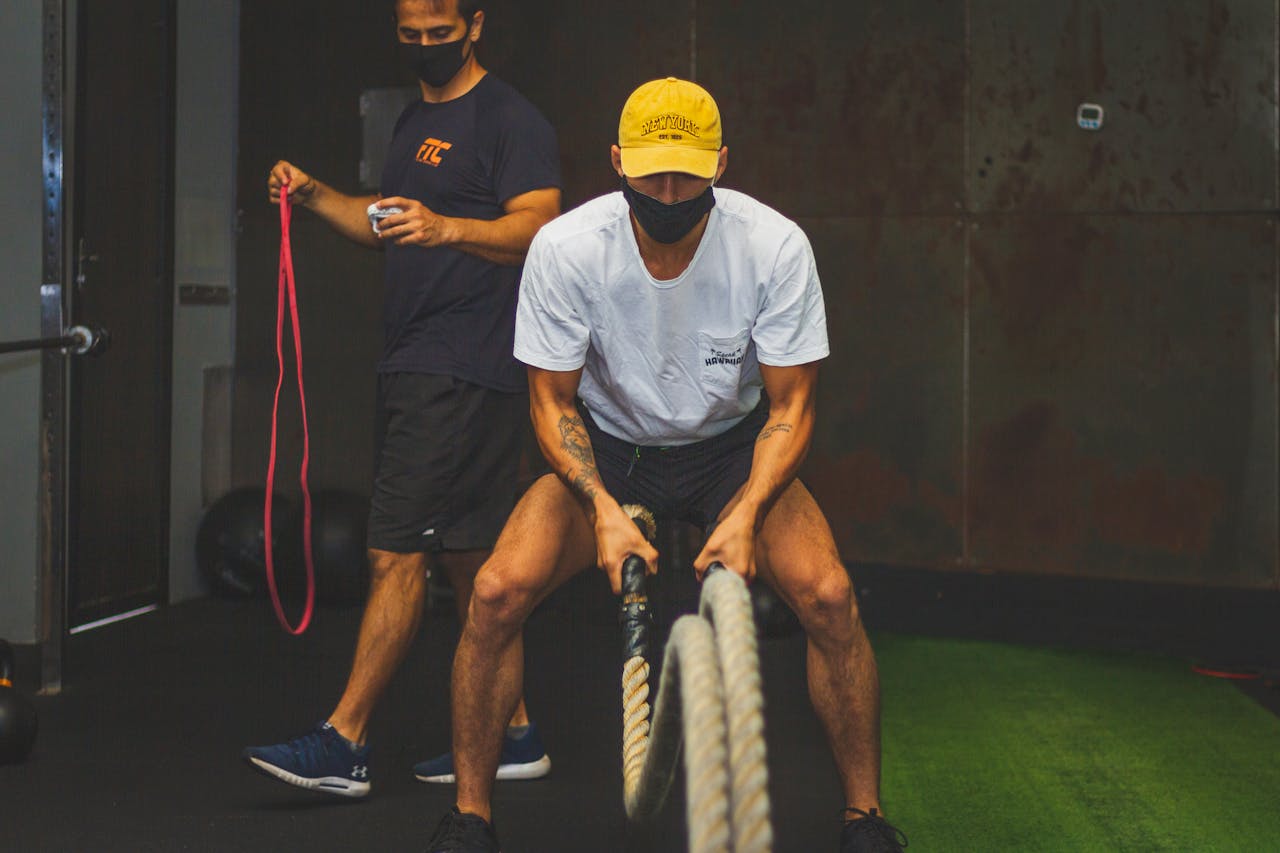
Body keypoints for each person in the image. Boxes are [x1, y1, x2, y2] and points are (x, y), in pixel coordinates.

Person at [424, 77, 907, 852]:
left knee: (828, 596)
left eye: (688, 172)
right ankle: (470, 816)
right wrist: (602, 508)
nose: (671, 190)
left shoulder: (773, 246)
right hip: (611, 451)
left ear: (722, 161)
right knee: (493, 591)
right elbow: (551, 405)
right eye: (652, 173)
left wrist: (747, 511)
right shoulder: (568, 249)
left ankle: (865, 816)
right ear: (617, 161)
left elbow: (789, 409)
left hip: (731, 453)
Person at [242, 0, 561, 798]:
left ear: (476, 24)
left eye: (440, 34)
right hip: (416, 363)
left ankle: (345, 738)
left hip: (458, 368)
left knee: (395, 553)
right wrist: (314, 194)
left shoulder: (510, 119)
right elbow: (385, 221)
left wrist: (450, 228)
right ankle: (513, 733)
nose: (424, 47)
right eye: (409, 36)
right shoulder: (413, 120)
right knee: (467, 560)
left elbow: (541, 226)